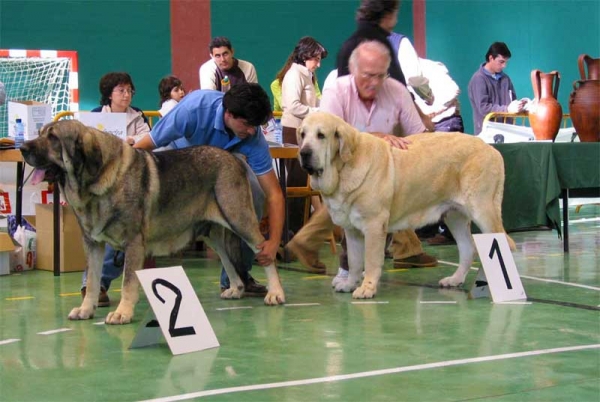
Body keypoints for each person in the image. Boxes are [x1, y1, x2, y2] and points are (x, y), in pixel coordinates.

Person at [286, 41, 438, 284]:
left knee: (379, 209)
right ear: (354, 71)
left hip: (384, 164)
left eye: (381, 75)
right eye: (368, 75)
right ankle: (349, 266)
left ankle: (397, 253)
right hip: (343, 165)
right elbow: (327, 134)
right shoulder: (337, 91)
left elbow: (419, 136)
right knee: (348, 209)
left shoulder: (397, 90)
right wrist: (378, 138)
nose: (375, 82)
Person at [134, 83, 284, 295]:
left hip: (221, 170)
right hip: (177, 160)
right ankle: (100, 283)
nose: (251, 131)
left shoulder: (253, 135)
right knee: (130, 205)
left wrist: (274, 242)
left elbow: (274, 194)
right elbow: (145, 146)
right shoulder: (194, 108)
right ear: (229, 114)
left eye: (255, 126)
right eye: (247, 124)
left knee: (256, 195)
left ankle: (238, 277)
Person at [81, 72, 151, 306]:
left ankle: (100, 284)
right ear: (108, 94)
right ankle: (91, 285)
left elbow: (146, 140)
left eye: (130, 90)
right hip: (100, 184)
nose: (126, 94)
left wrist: (131, 141)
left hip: (129, 181)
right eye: (121, 90)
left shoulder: (138, 116)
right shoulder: (94, 117)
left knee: (122, 235)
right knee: (101, 233)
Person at [275, 37, 328, 236]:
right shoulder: (294, 75)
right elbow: (291, 105)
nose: (318, 63)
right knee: (296, 183)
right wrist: (316, 110)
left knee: (302, 181)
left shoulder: (307, 74)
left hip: (304, 132)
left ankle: (298, 228)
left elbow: (312, 99)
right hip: (294, 131)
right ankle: (290, 230)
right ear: (305, 55)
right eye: (315, 59)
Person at [337, 0, 405, 85]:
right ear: (387, 15)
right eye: (395, 14)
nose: (396, 21)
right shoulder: (382, 44)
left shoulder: (347, 45)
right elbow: (399, 86)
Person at [468, 41, 526, 135]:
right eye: (501, 62)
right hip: (487, 134)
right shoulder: (478, 79)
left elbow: (512, 102)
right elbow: (483, 108)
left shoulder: (506, 79)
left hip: (507, 131)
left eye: (506, 62)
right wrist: (507, 109)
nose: (504, 65)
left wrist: (520, 106)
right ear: (491, 58)